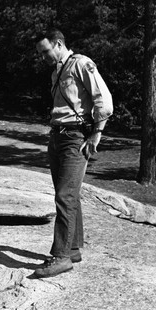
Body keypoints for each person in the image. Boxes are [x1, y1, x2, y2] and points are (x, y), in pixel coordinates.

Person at [34, 29, 113, 278]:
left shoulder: (81, 64)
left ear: (59, 44)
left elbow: (105, 101)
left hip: (75, 137)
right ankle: (74, 248)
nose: (42, 57)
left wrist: (96, 133)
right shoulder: (57, 71)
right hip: (57, 136)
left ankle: (61, 257)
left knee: (65, 196)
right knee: (70, 195)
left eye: (45, 51)